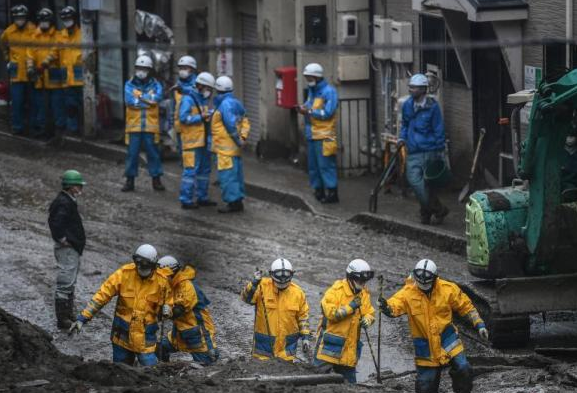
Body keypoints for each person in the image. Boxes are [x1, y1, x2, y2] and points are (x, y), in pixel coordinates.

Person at [379, 259, 489, 393]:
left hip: (447, 338)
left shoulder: (448, 289)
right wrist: (386, 307)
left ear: (435, 279)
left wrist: (479, 324)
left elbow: (466, 306)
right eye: (420, 284)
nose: (423, 287)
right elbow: (394, 305)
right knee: (426, 385)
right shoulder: (407, 293)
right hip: (425, 345)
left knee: (463, 369)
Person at [69, 244, 173, 367]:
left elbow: (168, 302)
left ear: (153, 266)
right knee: (121, 371)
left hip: (145, 339)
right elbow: (102, 295)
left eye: (144, 267)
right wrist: (83, 318)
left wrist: (168, 308)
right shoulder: (124, 274)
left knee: (151, 371)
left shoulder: (162, 281)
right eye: (138, 264)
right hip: (122, 337)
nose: (140, 268)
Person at [313, 259, 375, 383]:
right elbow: (330, 313)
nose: (362, 283)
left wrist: (368, 320)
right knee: (316, 382)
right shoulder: (335, 291)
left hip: (349, 352)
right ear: (350, 277)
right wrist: (350, 307)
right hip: (328, 350)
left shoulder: (364, 294)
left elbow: (370, 312)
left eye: (364, 281)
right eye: (360, 280)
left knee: (350, 385)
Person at [399, 74, 449, 225]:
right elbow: (405, 124)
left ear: (422, 89)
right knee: (414, 181)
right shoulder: (407, 105)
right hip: (413, 150)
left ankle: (425, 214)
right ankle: (438, 208)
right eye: (410, 87)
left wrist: (440, 150)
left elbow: (438, 129)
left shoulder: (433, 107)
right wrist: (402, 137)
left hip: (430, 150)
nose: (410, 90)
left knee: (429, 185)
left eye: (413, 88)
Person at [240, 258, 311, 361]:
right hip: (263, 348)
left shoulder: (298, 293)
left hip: (287, 349)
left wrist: (306, 338)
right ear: (271, 275)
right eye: (278, 283)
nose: (281, 286)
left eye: (285, 284)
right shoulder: (261, 286)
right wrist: (254, 283)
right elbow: (246, 298)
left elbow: (303, 317)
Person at [156, 256, 218, 366]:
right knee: (159, 349)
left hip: (198, 334)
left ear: (173, 273)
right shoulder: (170, 286)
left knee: (207, 363)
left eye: (164, 276)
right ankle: (164, 370)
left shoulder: (187, 286)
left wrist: (168, 311)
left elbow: (179, 310)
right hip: (179, 334)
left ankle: (211, 355)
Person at [48, 170, 86, 329]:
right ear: (71, 187)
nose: (80, 188)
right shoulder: (64, 202)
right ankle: (63, 318)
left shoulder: (66, 199)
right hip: (68, 249)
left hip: (72, 248)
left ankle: (67, 313)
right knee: (65, 281)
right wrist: (63, 239)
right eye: (78, 185)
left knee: (70, 280)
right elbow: (55, 223)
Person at [297, 63, 339, 204]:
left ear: (317, 77)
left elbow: (327, 113)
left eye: (309, 77)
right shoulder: (312, 90)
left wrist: (308, 111)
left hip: (325, 135)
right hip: (312, 134)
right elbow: (310, 105)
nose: (308, 80)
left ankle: (332, 192)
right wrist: (304, 108)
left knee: (326, 165)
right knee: (314, 166)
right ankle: (319, 190)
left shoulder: (329, 91)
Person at [122, 55, 165, 192]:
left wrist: (139, 98)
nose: (141, 71)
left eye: (144, 69)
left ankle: (156, 180)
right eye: (139, 68)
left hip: (151, 126)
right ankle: (130, 180)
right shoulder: (129, 84)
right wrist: (148, 100)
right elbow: (130, 101)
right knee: (132, 155)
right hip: (133, 126)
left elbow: (156, 99)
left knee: (154, 154)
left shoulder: (156, 85)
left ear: (149, 70)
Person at [210, 76, 250, 213]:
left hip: (225, 150)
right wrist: (243, 138)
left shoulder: (224, 105)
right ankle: (237, 202)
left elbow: (230, 126)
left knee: (227, 177)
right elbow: (245, 121)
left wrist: (238, 140)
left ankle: (233, 203)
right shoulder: (236, 103)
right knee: (236, 176)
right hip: (234, 150)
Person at [179, 72, 217, 209]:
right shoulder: (188, 99)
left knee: (204, 170)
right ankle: (186, 200)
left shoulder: (202, 100)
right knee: (190, 171)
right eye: (208, 88)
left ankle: (202, 197)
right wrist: (201, 117)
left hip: (203, 141)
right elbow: (183, 118)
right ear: (200, 86)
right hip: (192, 142)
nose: (209, 92)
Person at [26, 8, 63, 140]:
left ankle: (59, 131)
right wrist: (30, 68)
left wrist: (44, 64)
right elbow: (30, 54)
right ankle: (43, 129)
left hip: (53, 75)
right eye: (42, 21)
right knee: (41, 105)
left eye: (46, 20)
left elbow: (55, 51)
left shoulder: (57, 35)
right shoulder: (34, 37)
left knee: (56, 105)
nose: (44, 23)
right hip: (39, 76)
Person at [1, 4, 35, 135]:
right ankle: (17, 126)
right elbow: (3, 45)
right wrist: (7, 59)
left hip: (30, 69)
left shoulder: (33, 30)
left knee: (33, 101)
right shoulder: (9, 32)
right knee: (17, 100)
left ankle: (33, 126)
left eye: (22, 17)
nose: (20, 20)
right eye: (17, 17)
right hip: (16, 71)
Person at [57, 6, 83, 134]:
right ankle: (73, 129)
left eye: (69, 18)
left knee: (82, 104)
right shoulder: (61, 36)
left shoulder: (83, 34)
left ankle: (83, 127)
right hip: (67, 76)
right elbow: (54, 52)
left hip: (81, 77)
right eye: (65, 19)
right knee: (70, 105)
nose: (67, 21)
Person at [171, 55, 198, 156]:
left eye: (185, 68)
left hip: (193, 127)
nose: (182, 71)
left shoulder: (198, 84)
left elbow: (196, 93)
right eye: (181, 68)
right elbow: (174, 105)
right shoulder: (178, 84)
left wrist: (182, 89)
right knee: (183, 156)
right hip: (179, 126)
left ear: (192, 70)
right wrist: (171, 123)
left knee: (192, 157)